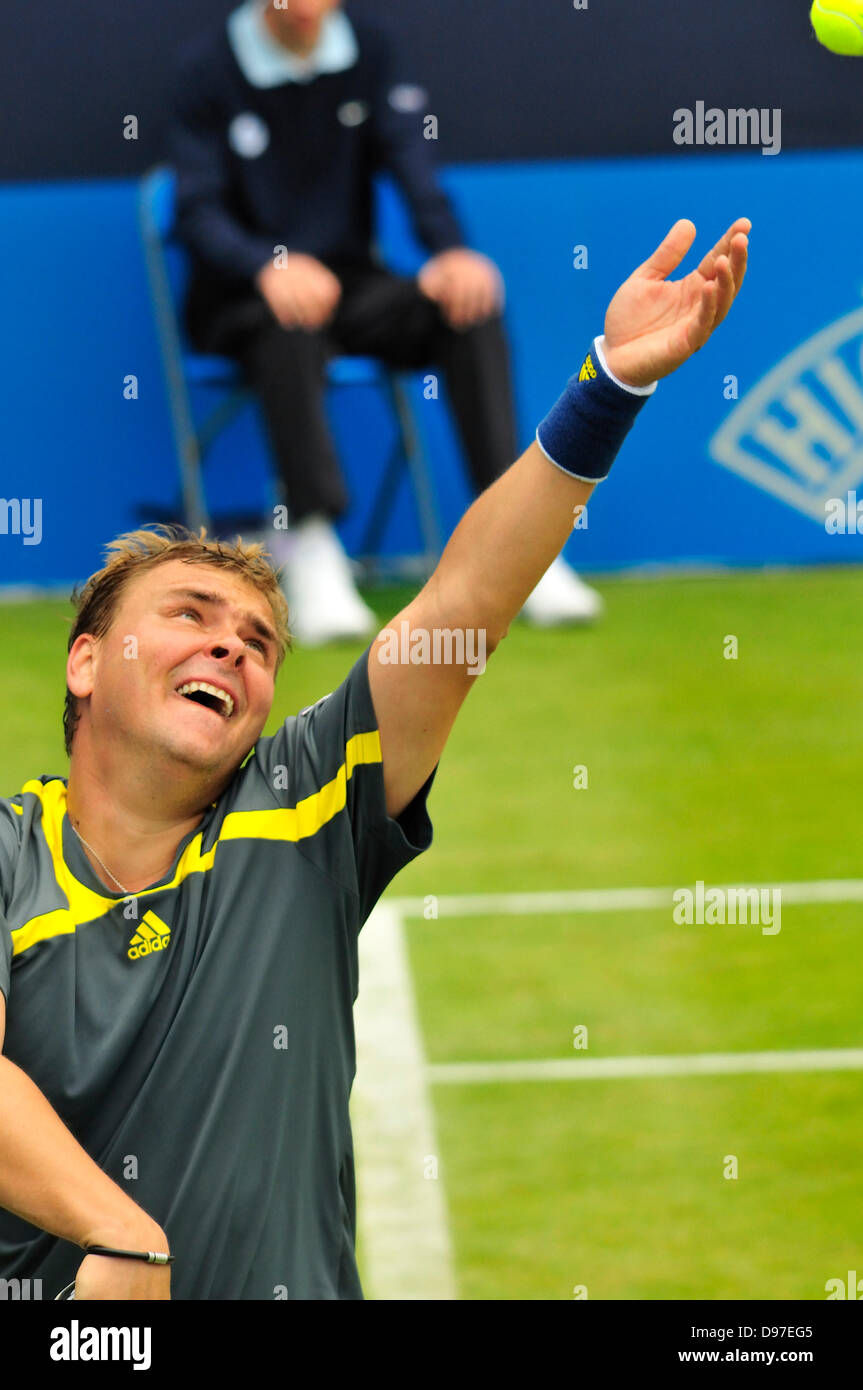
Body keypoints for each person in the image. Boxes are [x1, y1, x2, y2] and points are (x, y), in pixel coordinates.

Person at [0, 215, 750, 1298]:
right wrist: (120, 1231)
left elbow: (463, 603)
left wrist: (609, 388)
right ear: (83, 664)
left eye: (257, 640)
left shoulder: (308, 805)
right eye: (189, 615)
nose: (230, 643)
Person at [168, 0, 604, 644]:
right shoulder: (206, 69)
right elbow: (196, 212)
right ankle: (312, 547)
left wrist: (451, 252)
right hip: (241, 299)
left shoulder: (370, 52)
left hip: (352, 289)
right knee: (286, 326)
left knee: (468, 305)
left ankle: (518, 543)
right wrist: (269, 265)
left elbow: (414, 169)